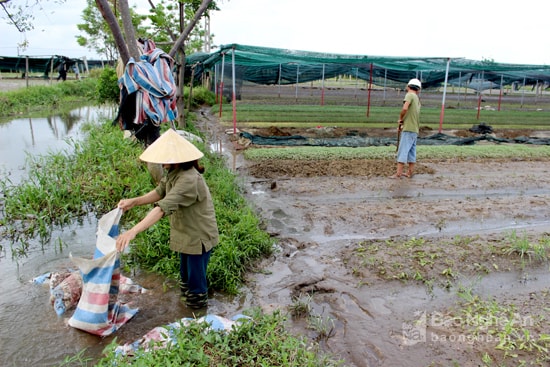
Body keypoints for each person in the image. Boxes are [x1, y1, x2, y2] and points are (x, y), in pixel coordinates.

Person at [115, 128, 219, 309]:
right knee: (185, 277)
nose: (162, 163)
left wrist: (133, 231)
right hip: (185, 233)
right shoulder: (174, 172)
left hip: (198, 235)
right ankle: (186, 310)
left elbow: (162, 209)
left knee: (195, 283)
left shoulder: (188, 180)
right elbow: (159, 192)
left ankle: (198, 317)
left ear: (177, 159)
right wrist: (134, 202)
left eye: (165, 159)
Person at [390, 78, 422, 179]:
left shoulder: (409, 95)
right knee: (412, 152)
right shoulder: (417, 99)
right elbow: (411, 114)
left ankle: (398, 173)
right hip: (415, 129)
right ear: (418, 89)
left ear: (408, 87)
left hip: (408, 129)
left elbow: (405, 108)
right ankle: (410, 172)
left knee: (403, 150)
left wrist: (400, 119)